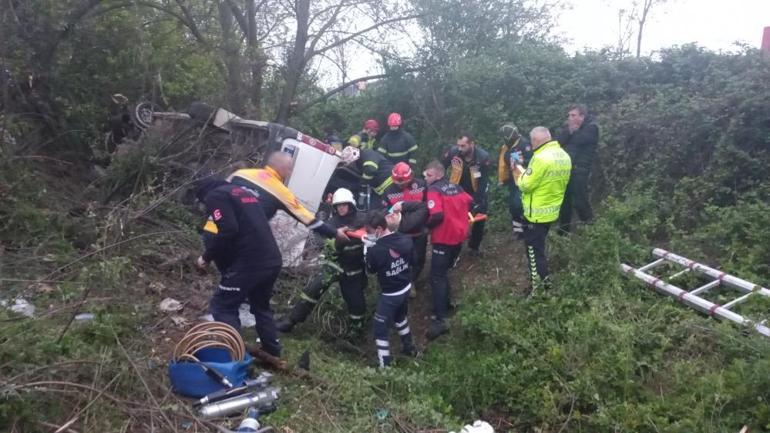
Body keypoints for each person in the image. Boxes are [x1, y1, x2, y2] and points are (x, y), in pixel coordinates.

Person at [194, 177, 284, 357]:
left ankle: (236, 356)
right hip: (272, 258)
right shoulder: (240, 191)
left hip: (251, 260)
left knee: (223, 305)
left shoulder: (214, 196)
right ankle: (272, 351)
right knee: (261, 306)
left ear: (203, 194)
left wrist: (206, 256)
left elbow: (228, 230)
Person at [276, 188, 367, 335]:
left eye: (344, 204)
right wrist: (335, 241)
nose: (341, 208)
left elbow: (375, 231)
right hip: (333, 264)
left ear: (351, 204)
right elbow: (319, 240)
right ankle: (291, 321)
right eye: (338, 205)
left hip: (354, 270)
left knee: (356, 303)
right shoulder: (332, 223)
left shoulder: (363, 219)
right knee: (311, 291)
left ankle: (355, 334)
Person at [227, 151, 346, 241]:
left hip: (213, 229)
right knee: (271, 262)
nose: (290, 172)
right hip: (239, 238)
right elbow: (307, 218)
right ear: (282, 168)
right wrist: (335, 233)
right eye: (289, 169)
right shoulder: (280, 191)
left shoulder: (240, 174)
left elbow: (214, 194)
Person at [512, 127, 571, 293]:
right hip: (551, 211)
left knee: (534, 254)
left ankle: (540, 290)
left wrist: (519, 170)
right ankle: (543, 286)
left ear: (536, 141)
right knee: (539, 250)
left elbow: (525, 185)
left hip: (535, 214)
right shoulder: (563, 155)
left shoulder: (540, 158)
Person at [423, 160, 473, 340]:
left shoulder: (433, 191)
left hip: (443, 238)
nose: (426, 179)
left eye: (429, 175)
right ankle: (446, 303)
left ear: (438, 175)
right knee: (444, 273)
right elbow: (470, 201)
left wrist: (425, 227)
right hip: (458, 238)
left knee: (437, 276)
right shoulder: (456, 187)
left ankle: (440, 318)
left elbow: (436, 214)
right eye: (425, 175)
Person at [364, 208, 416, 367]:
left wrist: (367, 250)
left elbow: (370, 270)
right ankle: (410, 348)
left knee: (380, 327)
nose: (369, 233)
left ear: (379, 229)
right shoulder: (405, 239)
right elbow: (412, 260)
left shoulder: (376, 251)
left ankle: (384, 365)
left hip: (390, 295)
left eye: (370, 231)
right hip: (406, 287)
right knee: (400, 318)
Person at [381, 162, 428, 298]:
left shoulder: (421, 185)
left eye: (403, 182)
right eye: (397, 182)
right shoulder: (389, 191)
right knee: (401, 260)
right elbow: (383, 211)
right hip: (400, 233)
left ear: (411, 176)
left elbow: (428, 206)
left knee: (419, 258)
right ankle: (405, 283)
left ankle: (413, 280)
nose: (400, 185)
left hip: (419, 231)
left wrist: (428, 225)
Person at [442, 134, 491, 255]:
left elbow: (484, 180)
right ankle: (453, 244)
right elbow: (441, 167)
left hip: (476, 189)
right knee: (454, 217)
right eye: (458, 145)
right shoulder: (454, 152)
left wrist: (477, 200)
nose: (460, 148)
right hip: (457, 189)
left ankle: (474, 247)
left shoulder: (483, 157)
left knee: (479, 216)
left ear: (472, 144)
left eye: (463, 146)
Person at [557, 104, 598, 234]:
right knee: (564, 202)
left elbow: (580, 141)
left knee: (580, 201)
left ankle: (591, 230)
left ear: (582, 116)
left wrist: (574, 131)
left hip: (580, 170)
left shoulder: (592, 128)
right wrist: (569, 131)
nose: (570, 118)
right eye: (569, 115)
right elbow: (558, 143)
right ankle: (563, 232)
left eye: (573, 115)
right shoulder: (569, 129)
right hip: (566, 170)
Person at [498, 123, 533, 239]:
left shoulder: (525, 144)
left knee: (519, 205)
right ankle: (518, 231)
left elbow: (533, 160)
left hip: (524, 180)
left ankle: (528, 227)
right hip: (513, 180)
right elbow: (505, 163)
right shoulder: (507, 146)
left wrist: (523, 161)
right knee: (513, 206)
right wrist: (503, 178)